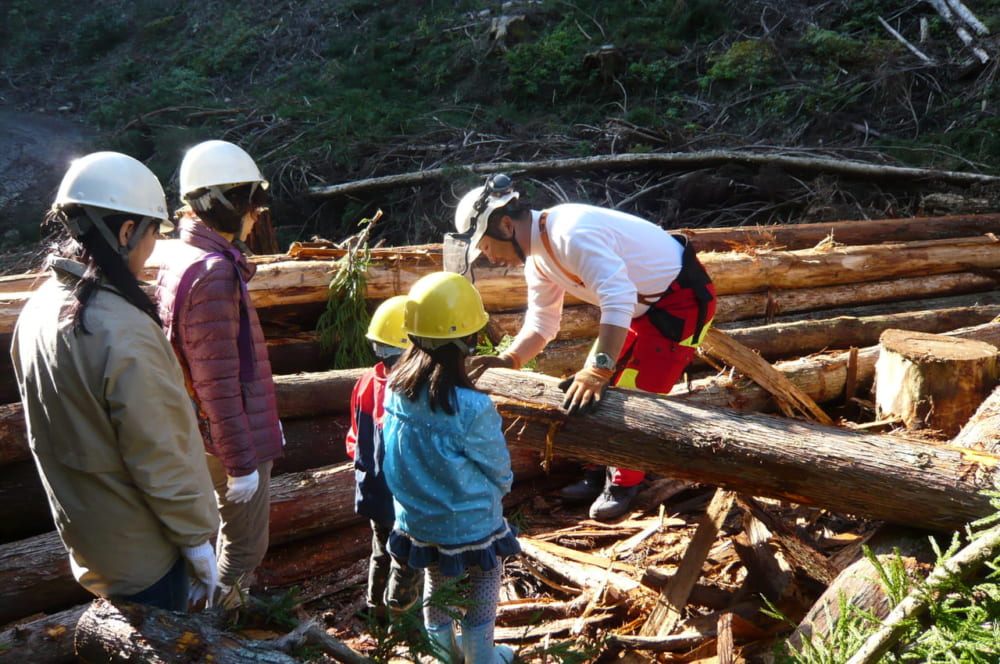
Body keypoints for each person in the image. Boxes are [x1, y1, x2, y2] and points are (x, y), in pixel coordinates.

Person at [11, 151, 220, 611]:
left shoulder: (40, 308)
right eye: (151, 233)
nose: (152, 249)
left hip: (94, 545)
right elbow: (160, 451)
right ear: (126, 232)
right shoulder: (119, 328)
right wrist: (198, 542)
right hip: (148, 555)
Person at [448, 174, 716, 521]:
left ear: (504, 225)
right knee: (586, 390)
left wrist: (599, 369)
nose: (489, 257)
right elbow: (542, 323)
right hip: (638, 308)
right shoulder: (539, 259)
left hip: (680, 303)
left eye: (485, 247)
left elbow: (616, 297)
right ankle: (597, 467)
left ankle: (624, 483)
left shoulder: (568, 233)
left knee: (636, 393)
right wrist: (508, 359)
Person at [155, 139, 284, 607]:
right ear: (225, 203)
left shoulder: (179, 254)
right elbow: (218, 382)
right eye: (252, 203)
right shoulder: (213, 271)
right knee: (246, 544)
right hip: (228, 434)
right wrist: (241, 463)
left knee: (220, 534)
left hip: (200, 430)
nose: (256, 215)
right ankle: (221, 622)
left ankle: (215, 610)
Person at [382, 272, 520, 664]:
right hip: (471, 522)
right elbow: (497, 468)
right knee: (484, 581)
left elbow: (391, 453)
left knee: (436, 582)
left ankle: (442, 656)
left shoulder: (394, 387)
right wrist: (502, 488)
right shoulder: (473, 407)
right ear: (468, 340)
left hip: (418, 519)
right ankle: (481, 657)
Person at [346, 295, 422, 623]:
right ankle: (402, 625)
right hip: (401, 497)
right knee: (406, 561)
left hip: (372, 491)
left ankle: (374, 608)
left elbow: (353, 439)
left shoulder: (365, 382)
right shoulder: (407, 393)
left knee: (381, 550)